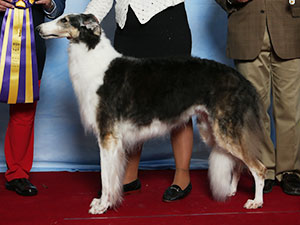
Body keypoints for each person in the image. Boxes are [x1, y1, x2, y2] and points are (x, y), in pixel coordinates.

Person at [85, 0, 194, 202]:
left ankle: (182, 174)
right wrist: (85, 22)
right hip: (128, 31)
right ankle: (129, 177)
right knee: (130, 106)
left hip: (167, 24)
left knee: (178, 103)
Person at [215, 0, 300, 195]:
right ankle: (263, 169)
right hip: (247, 29)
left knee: (290, 108)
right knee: (255, 111)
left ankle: (289, 171)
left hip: (290, 27)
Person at [0, 0, 65, 196]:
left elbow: (58, 6)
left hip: (29, 49)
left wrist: (49, 3)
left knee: (24, 112)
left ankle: (17, 174)